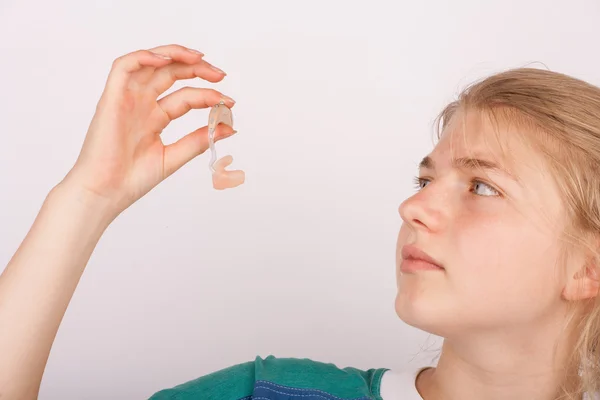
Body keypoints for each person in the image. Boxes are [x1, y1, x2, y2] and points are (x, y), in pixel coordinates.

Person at [1, 43, 600, 400]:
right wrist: (85, 198)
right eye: (424, 180)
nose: (413, 207)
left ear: (588, 267)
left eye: (481, 186)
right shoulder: (269, 393)